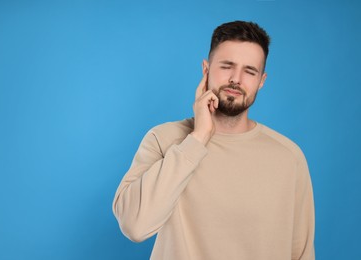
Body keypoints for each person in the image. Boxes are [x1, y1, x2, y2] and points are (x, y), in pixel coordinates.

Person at [112, 20, 315, 260]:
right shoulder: (163, 139)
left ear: (261, 80)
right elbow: (134, 225)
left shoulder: (288, 157)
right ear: (206, 70)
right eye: (227, 66)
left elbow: (301, 253)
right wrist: (198, 138)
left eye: (249, 71)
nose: (236, 79)